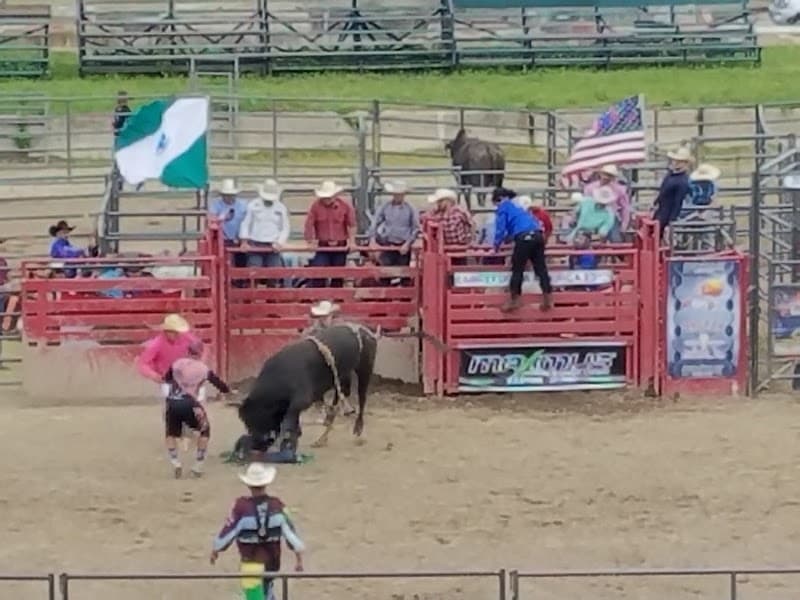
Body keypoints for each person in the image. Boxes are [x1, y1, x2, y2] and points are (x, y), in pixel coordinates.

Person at [211, 463, 305, 600]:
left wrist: (216, 550)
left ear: (249, 485)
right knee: (267, 591)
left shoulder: (241, 507)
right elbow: (292, 537)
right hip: (271, 563)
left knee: (254, 596)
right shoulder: (277, 506)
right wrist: (299, 560)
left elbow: (226, 536)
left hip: (250, 564)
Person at [491, 187, 552, 313]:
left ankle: (515, 299)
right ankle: (548, 297)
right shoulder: (519, 208)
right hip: (537, 235)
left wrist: (496, 247)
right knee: (540, 268)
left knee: (517, 268)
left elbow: (500, 229)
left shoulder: (503, 208)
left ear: (499, 200)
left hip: (523, 237)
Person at [135, 313, 205, 401]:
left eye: (177, 332)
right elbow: (143, 364)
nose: (176, 334)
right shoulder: (156, 344)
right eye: (173, 332)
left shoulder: (189, 339)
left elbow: (200, 351)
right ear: (166, 331)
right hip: (168, 381)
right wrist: (155, 376)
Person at [304, 180, 356, 288]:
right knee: (319, 272)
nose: (326, 199)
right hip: (323, 245)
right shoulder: (315, 206)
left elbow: (351, 225)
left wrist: (352, 242)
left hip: (340, 245)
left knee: (338, 275)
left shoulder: (345, 206)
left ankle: (335, 298)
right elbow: (309, 224)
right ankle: (320, 297)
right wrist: (310, 241)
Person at [240, 179, 290, 272]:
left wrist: (280, 242)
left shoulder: (281, 208)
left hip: (273, 244)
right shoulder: (253, 205)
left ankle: (273, 285)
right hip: (255, 242)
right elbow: (246, 223)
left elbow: (285, 228)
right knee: (254, 268)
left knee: (275, 270)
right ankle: (253, 286)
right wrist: (244, 241)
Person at [367, 180, 420, 267]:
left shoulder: (410, 208)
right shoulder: (385, 207)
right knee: (385, 271)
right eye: (396, 194)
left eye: (400, 194)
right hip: (388, 244)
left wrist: (407, 243)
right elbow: (375, 222)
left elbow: (415, 228)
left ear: (404, 195)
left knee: (403, 272)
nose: (398, 196)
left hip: (403, 245)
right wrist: (372, 240)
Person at [209, 179, 248, 273]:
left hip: (240, 239)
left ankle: (240, 283)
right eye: (226, 195)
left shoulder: (243, 205)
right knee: (226, 264)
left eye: (231, 195)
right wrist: (222, 218)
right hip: (222, 240)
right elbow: (212, 220)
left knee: (242, 263)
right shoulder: (216, 205)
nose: (229, 197)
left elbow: (248, 220)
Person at [653, 147, 693, 240]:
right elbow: (662, 192)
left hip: (667, 214)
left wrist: (671, 221)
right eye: (675, 160)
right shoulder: (670, 174)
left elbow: (677, 202)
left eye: (679, 161)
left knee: (659, 237)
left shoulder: (682, 181)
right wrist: (656, 202)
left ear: (685, 163)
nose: (675, 162)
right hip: (660, 211)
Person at [583, 164, 631, 242]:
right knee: (585, 239)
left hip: (611, 217)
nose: (606, 177)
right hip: (593, 216)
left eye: (610, 175)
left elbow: (625, 208)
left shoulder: (619, 189)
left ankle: (614, 251)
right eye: (605, 174)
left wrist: (624, 225)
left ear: (613, 177)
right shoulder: (590, 188)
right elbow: (585, 205)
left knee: (616, 240)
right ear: (600, 174)